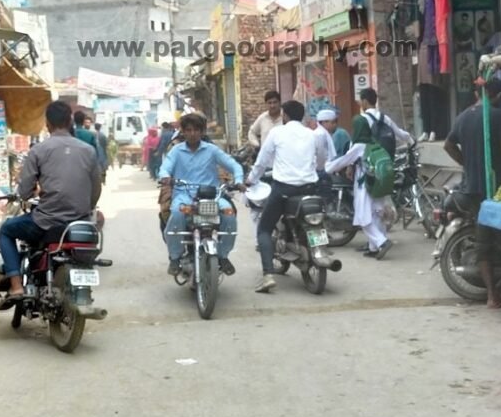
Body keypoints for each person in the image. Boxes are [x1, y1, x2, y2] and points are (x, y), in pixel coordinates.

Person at [443, 79, 501, 311]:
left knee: (483, 242)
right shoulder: (497, 116)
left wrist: (467, 164)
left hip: (471, 188)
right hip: (495, 188)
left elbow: (448, 145)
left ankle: (493, 296)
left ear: (478, 93)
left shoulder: (463, 116)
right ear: (498, 95)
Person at [0, 100, 101, 308]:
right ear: (69, 121)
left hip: (46, 221)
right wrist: (85, 209)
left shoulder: (39, 150)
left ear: (48, 123)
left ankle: (16, 286)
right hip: (80, 222)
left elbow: (25, 191)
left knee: (6, 230)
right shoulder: (88, 150)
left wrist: (27, 194)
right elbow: (96, 189)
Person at [246, 100, 319, 293]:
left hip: (284, 189)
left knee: (264, 228)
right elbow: (315, 160)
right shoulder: (311, 135)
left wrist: (251, 179)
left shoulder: (277, 133)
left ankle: (268, 275)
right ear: (302, 116)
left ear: (284, 115)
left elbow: (262, 161)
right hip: (310, 187)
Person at [158, 113, 242, 276]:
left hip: (212, 196)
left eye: (196, 130)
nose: (192, 133)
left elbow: (234, 165)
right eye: (188, 130)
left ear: (202, 131)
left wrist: (238, 180)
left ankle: (223, 255)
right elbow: (165, 167)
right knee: (176, 214)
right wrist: (165, 177)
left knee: (229, 214)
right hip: (184, 195)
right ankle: (175, 257)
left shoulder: (212, 150)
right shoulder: (176, 151)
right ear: (183, 131)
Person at [324, 115, 393, 260]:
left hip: (364, 186)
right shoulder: (374, 142)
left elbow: (342, 161)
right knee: (376, 215)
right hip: (377, 184)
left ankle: (382, 242)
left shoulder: (358, 145)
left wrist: (327, 168)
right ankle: (374, 247)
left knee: (362, 218)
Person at [358, 87, 415, 153]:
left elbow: (357, 143)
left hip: (370, 158)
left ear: (365, 101)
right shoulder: (385, 118)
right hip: (387, 158)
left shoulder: (361, 119)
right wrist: (410, 139)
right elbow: (399, 133)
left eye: (360, 101)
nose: (360, 104)